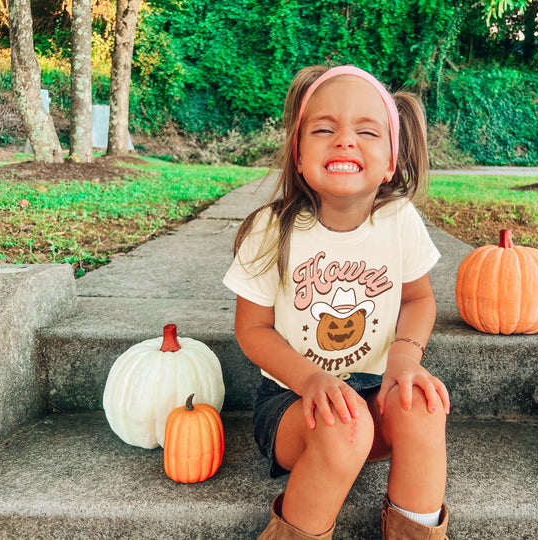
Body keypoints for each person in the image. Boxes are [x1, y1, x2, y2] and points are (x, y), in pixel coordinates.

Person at [223, 64, 451, 540]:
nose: (345, 140)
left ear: (391, 160)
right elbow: (252, 329)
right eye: (324, 129)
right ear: (298, 154)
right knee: (343, 428)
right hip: (292, 403)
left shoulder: (398, 219)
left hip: (372, 390)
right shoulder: (272, 229)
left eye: (367, 131)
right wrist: (311, 380)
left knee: (424, 408)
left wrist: (405, 360)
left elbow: (419, 299)